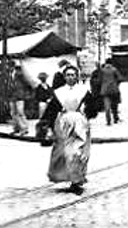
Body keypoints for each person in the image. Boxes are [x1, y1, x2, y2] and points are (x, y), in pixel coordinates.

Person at [37, 65, 98, 194]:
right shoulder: (59, 92)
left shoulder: (83, 91)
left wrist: (86, 114)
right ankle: (66, 176)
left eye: (73, 75)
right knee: (64, 151)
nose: (70, 77)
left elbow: (93, 107)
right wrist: (47, 124)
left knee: (78, 151)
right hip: (63, 123)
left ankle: (77, 179)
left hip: (79, 123)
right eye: (68, 75)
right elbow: (52, 109)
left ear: (77, 76)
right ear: (64, 77)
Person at [9, 64, 30, 136]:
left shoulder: (19, 74)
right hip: (12, 96)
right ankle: (16, 127)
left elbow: (26, 83)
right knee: (13, 113)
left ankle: (24, 128)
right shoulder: (9, 75)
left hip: (19, 96)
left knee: (20, 112)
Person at [99, 60, 122, 125]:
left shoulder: (102, 70)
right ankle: (115, 118)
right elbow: (120, 78)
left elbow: (99, 80)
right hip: (114, 89)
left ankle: (108, 120)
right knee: (114, 105)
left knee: (107, 105)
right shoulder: (114, 69)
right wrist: (116, 84)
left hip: (105, 90)